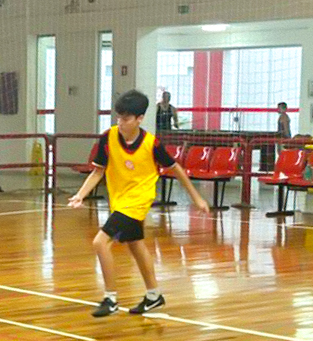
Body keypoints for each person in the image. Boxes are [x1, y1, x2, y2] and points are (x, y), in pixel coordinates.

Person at [68, 89, 209, 317]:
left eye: (126, 119)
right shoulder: (108, 137)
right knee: (135, 244)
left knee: (100, 243)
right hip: (119, 200)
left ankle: (110, 299)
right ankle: (154, 295)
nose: (120, 122)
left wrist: (197, 198)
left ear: (139, 119)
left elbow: (176, 169)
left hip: (138, 201)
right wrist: (80, 195)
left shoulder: (151, 144)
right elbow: (98, 171)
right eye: (118, 118)